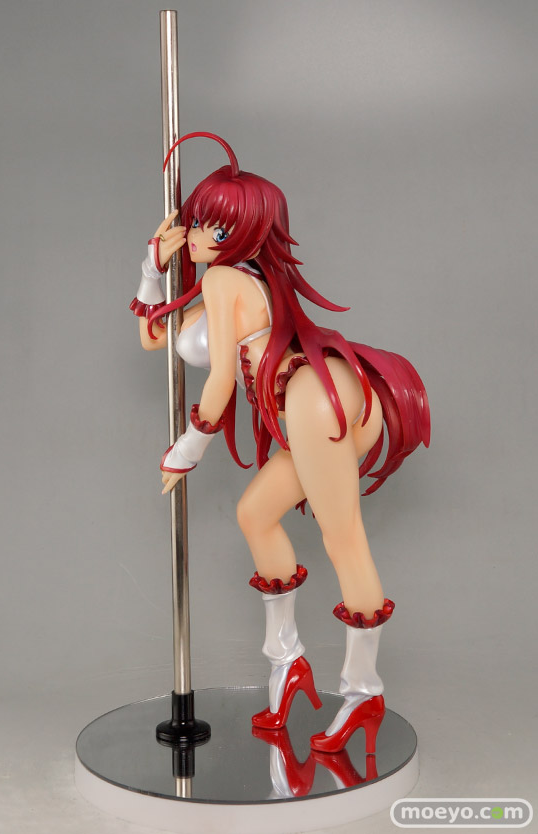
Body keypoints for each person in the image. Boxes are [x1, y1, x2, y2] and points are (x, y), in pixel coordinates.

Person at [130, 132, 430, 754]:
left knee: (342, 536)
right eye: (198, 221)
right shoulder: (229, 280)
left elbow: (220, 379)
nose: (200, 235)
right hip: (307, 404)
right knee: (255, 514)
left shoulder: (226, 281)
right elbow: (157, 338)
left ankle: (364, 691)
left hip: (312, 400)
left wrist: (187, 449)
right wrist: (152, 268)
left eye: (217, 227)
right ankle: (288, 664)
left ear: (245, 232)